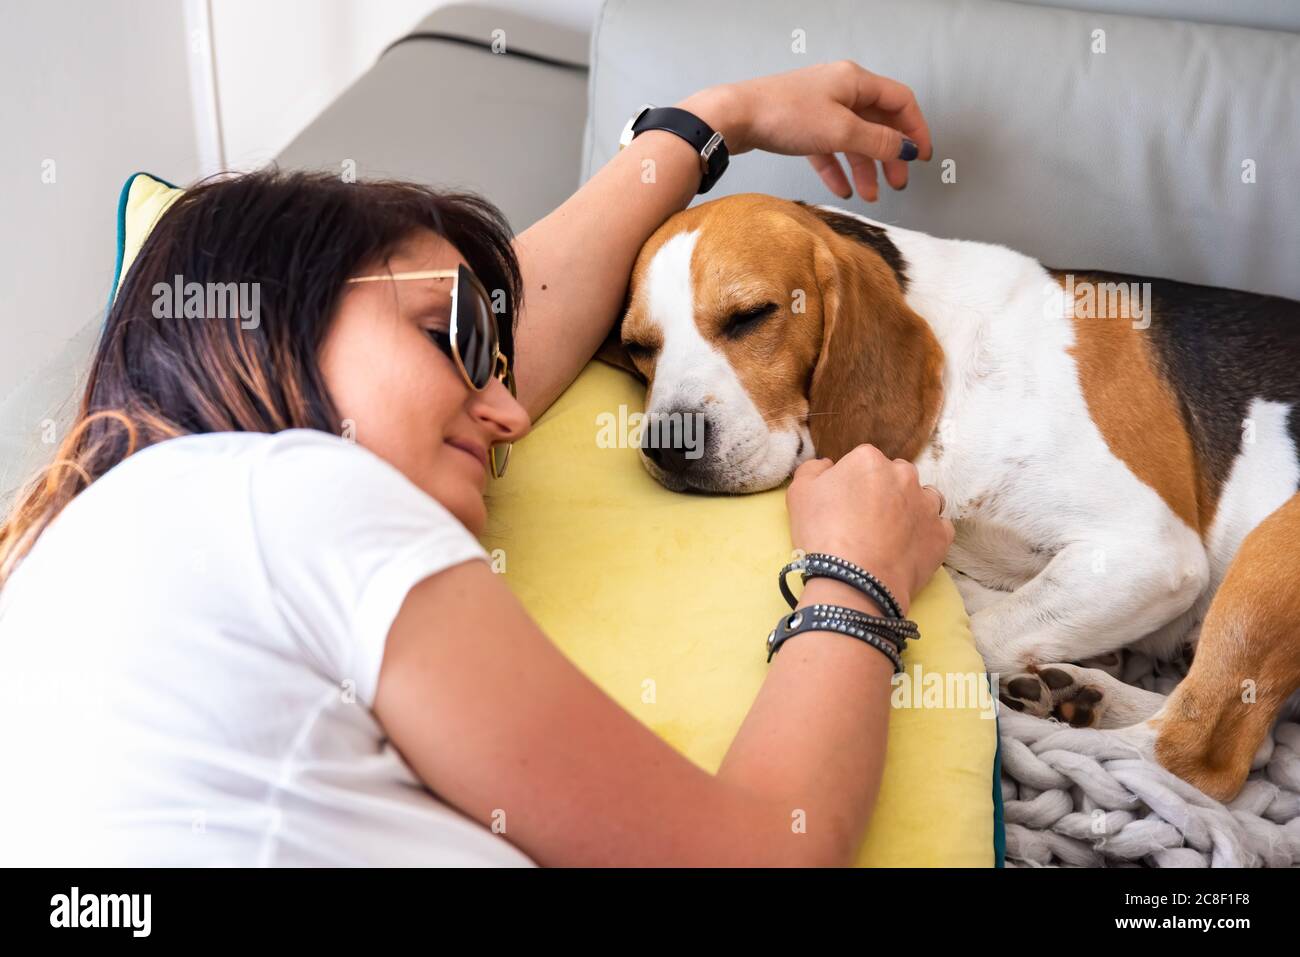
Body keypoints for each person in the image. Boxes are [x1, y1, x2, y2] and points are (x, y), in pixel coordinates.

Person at [0, 61, 953, 866]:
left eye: (493, 361)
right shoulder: (286, 489)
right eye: (445, 333)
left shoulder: (129, 557)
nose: (507, 413)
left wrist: (717, 121)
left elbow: (492, 345)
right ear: (264, 325)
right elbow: (757, 852)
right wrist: (857, 575)